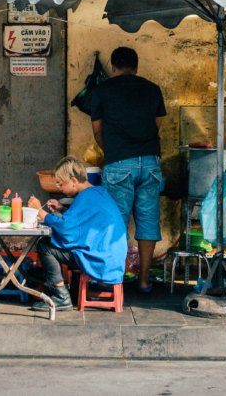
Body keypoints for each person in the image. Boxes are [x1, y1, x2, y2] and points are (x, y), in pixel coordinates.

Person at [90, 46, 166, 292]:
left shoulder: (101, 91)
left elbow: (97, 131)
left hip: (119, 163)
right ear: (136, 66)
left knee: (117, 222)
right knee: (148, 221)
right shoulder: (152, 89)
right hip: (150, 162)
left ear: (113, 67)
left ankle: (116, 279)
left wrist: (112, 150)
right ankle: (144, 280)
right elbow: (157, 125)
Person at [26, 156, 127, 311]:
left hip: (101, 260)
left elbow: (67, 230)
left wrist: (40, 212)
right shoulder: (97, 192)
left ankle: (61, 297)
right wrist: (62, 209)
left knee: (45, 246)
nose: (59, 187)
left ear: (73, 181)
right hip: (112, 257)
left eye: (61, 183)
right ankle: (70, 292)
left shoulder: (85, 197)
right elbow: (83, 222)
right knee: (62, 246)